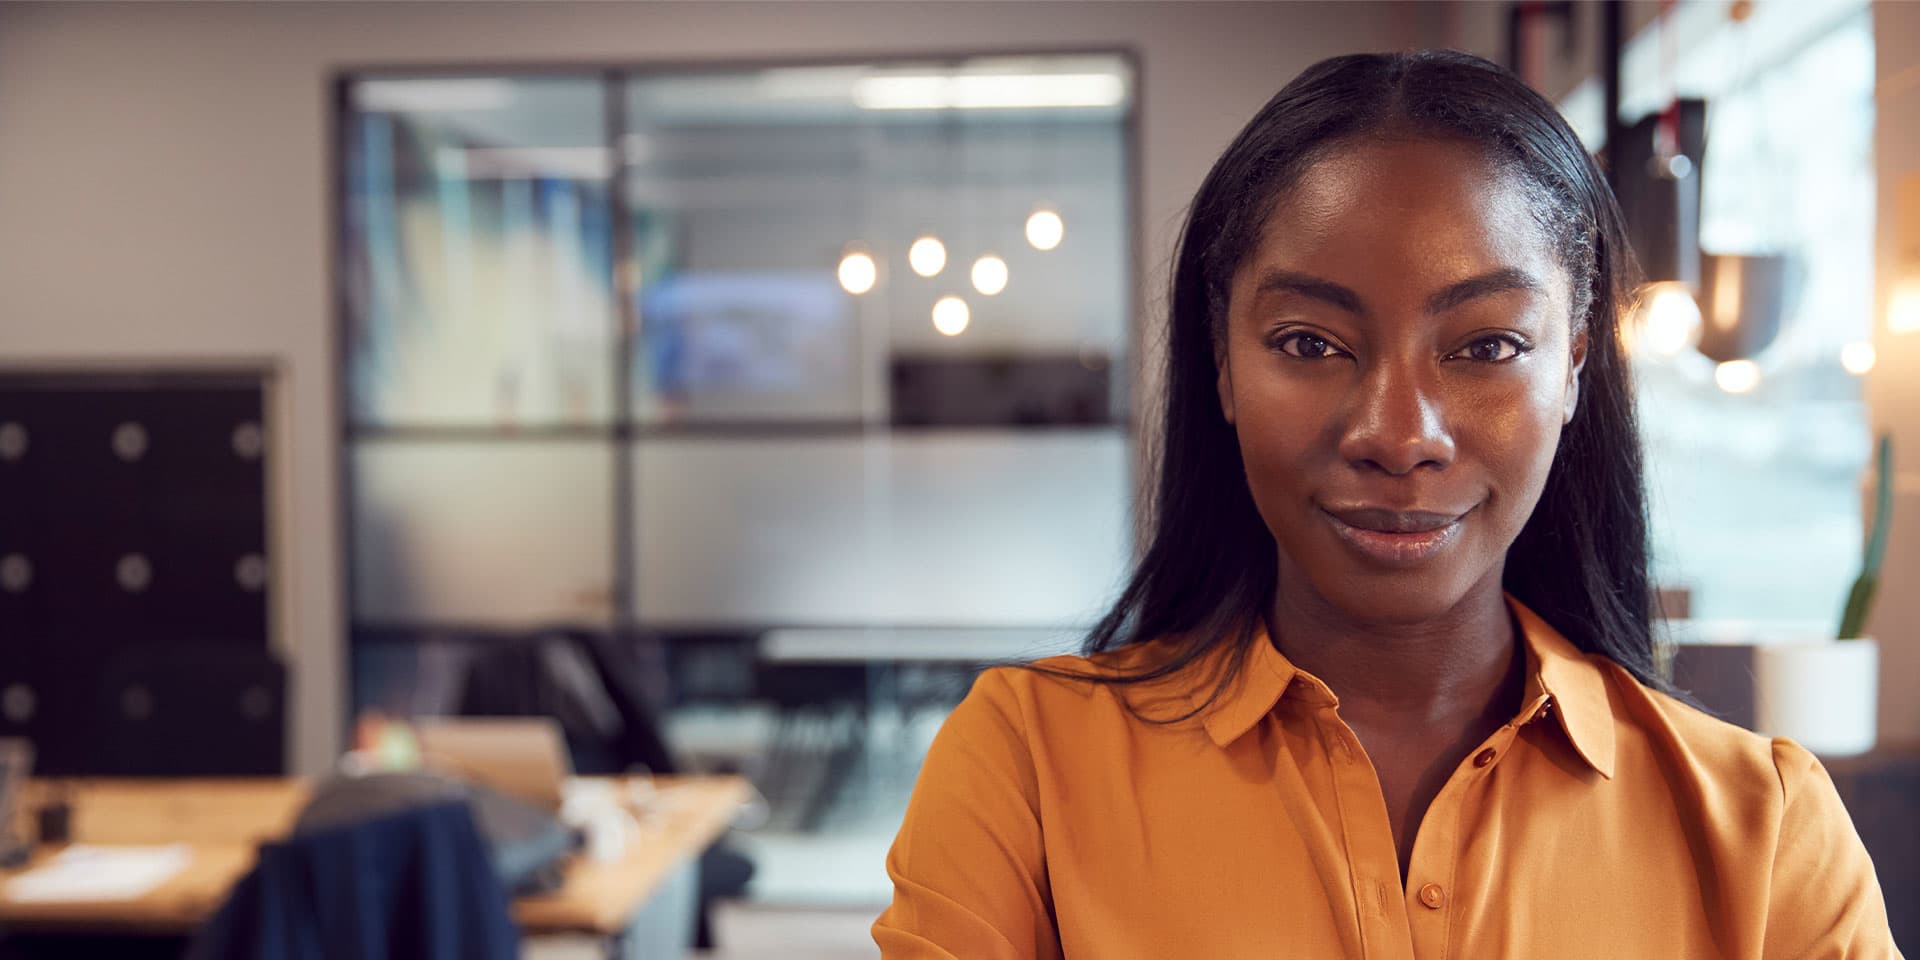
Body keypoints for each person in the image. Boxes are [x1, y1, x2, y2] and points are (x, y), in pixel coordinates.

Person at [872, 51, 1901, 959]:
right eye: (1309, 344)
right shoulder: (1030, 769)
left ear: (1577, 366)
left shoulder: (1764, 828)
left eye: (1488, 346)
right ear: (1222, 367)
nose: (1400, 435)